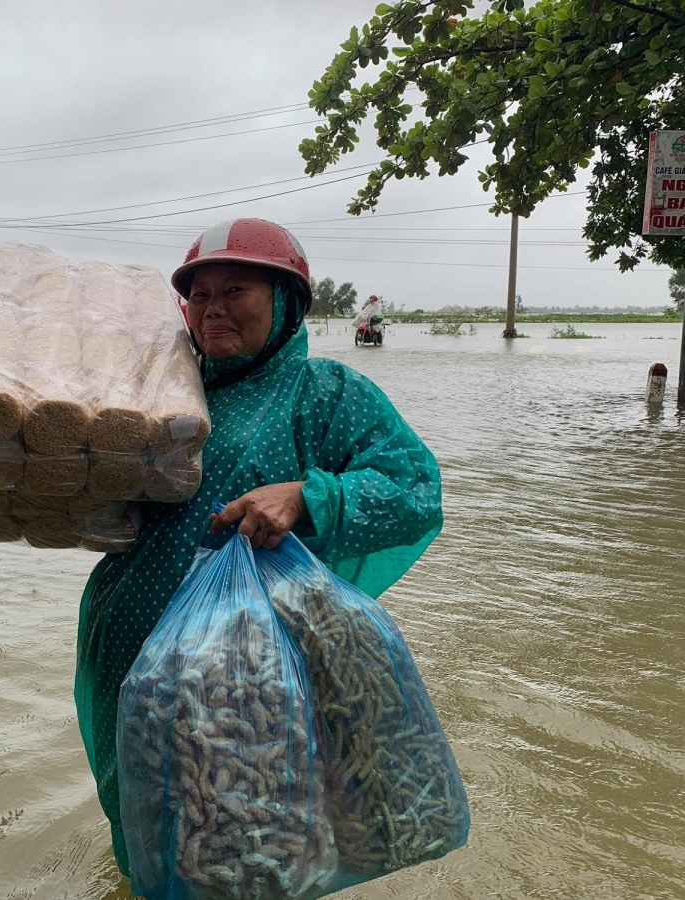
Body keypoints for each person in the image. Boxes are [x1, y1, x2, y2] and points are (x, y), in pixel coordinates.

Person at [74, 218, 444, 876]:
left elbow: (414, 491)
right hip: (130, 652)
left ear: (286, 303)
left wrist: (308, 496)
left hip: (249, 675)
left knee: (248, 842)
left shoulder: (326, 393)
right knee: (143, 831)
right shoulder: (152, 393)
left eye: (236, 288)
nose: (213, 307)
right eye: (199, 293)